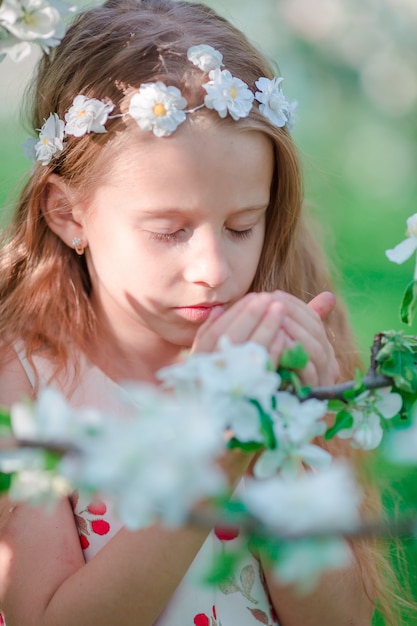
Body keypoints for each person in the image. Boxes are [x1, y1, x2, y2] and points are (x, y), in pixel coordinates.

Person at [0, 0, 396, 624]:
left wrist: (283, 430)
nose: (212, 268)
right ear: (67, 214)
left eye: (242, 226)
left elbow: (336, 619)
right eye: (169, 230)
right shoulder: (30, 382)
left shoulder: (279, 352)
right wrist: (215, 451)